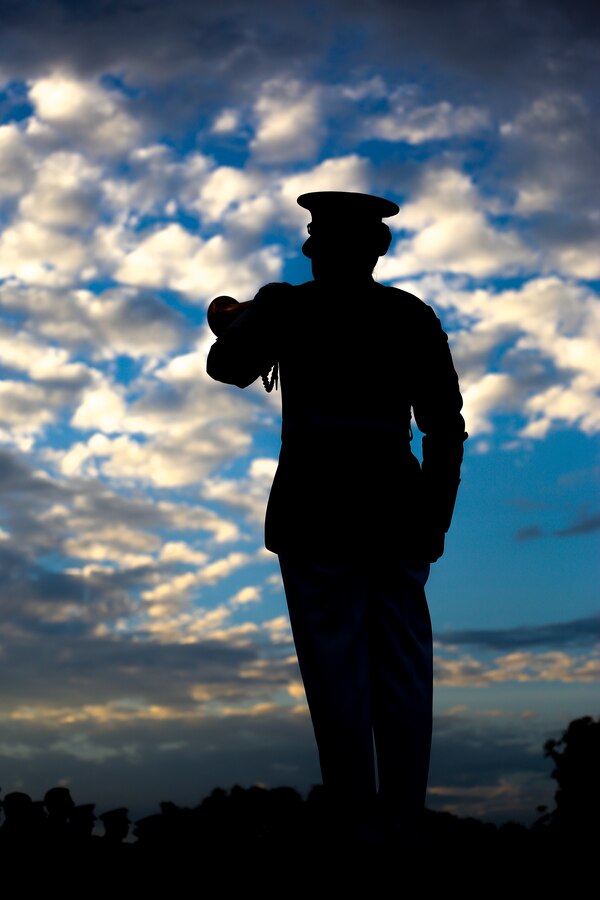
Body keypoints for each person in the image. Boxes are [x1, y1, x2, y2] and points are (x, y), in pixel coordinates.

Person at [206, 190, 467, 850]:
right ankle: (401, 826)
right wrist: (436, 514)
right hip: (398, 508)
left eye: (316, 238)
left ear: (322, 247)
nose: (308, 248)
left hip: (316, 507)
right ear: (378, 249)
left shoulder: (289, 308)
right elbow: (444, 428)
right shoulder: (411, 316)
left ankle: (359, 829)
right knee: (403, 677)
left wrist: (257, 314)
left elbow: (226, 365)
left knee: (336, 679)